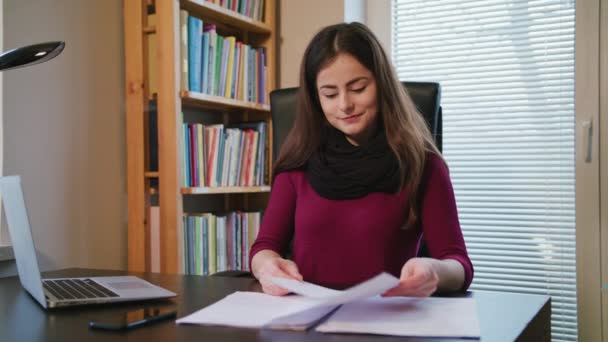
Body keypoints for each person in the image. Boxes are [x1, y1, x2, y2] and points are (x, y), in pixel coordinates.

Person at [249, 22, 473, 297]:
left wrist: (433, 271)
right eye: (330, 94)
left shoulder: (422, 164)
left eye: (358, 88)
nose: (344, 104)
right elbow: (264, 247)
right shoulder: (299, 162)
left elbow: (458, 264)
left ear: (382, 85)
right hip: (307, 318)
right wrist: (266, 267)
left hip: (388, 321)